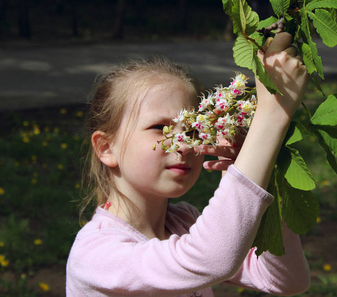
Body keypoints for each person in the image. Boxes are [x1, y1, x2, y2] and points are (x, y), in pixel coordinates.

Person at [66, 32, 310, 296]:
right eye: (160, 128)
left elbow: (286, 280)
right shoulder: (96, 254)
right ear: (106, 148)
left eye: (195, 130)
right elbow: (210, 259)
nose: (184, 144)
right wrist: (272, 113)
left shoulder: (184, 222)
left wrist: (257, 168)